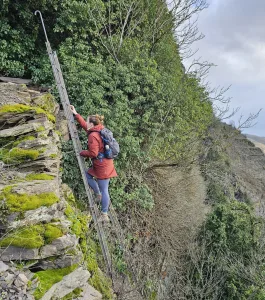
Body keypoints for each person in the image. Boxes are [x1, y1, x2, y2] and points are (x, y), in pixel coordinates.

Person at [70, 105, 117, 222]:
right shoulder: (99, 129)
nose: (86, 122)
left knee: (105, 189)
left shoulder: (93, 135)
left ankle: (104, 214)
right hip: (104, 164)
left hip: (102, 167)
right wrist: (76, 114)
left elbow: (93, 153)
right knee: (88, 175)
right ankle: (98, 194)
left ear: (92, 124)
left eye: (87, 121)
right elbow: (86, 127)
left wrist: (81, 153)